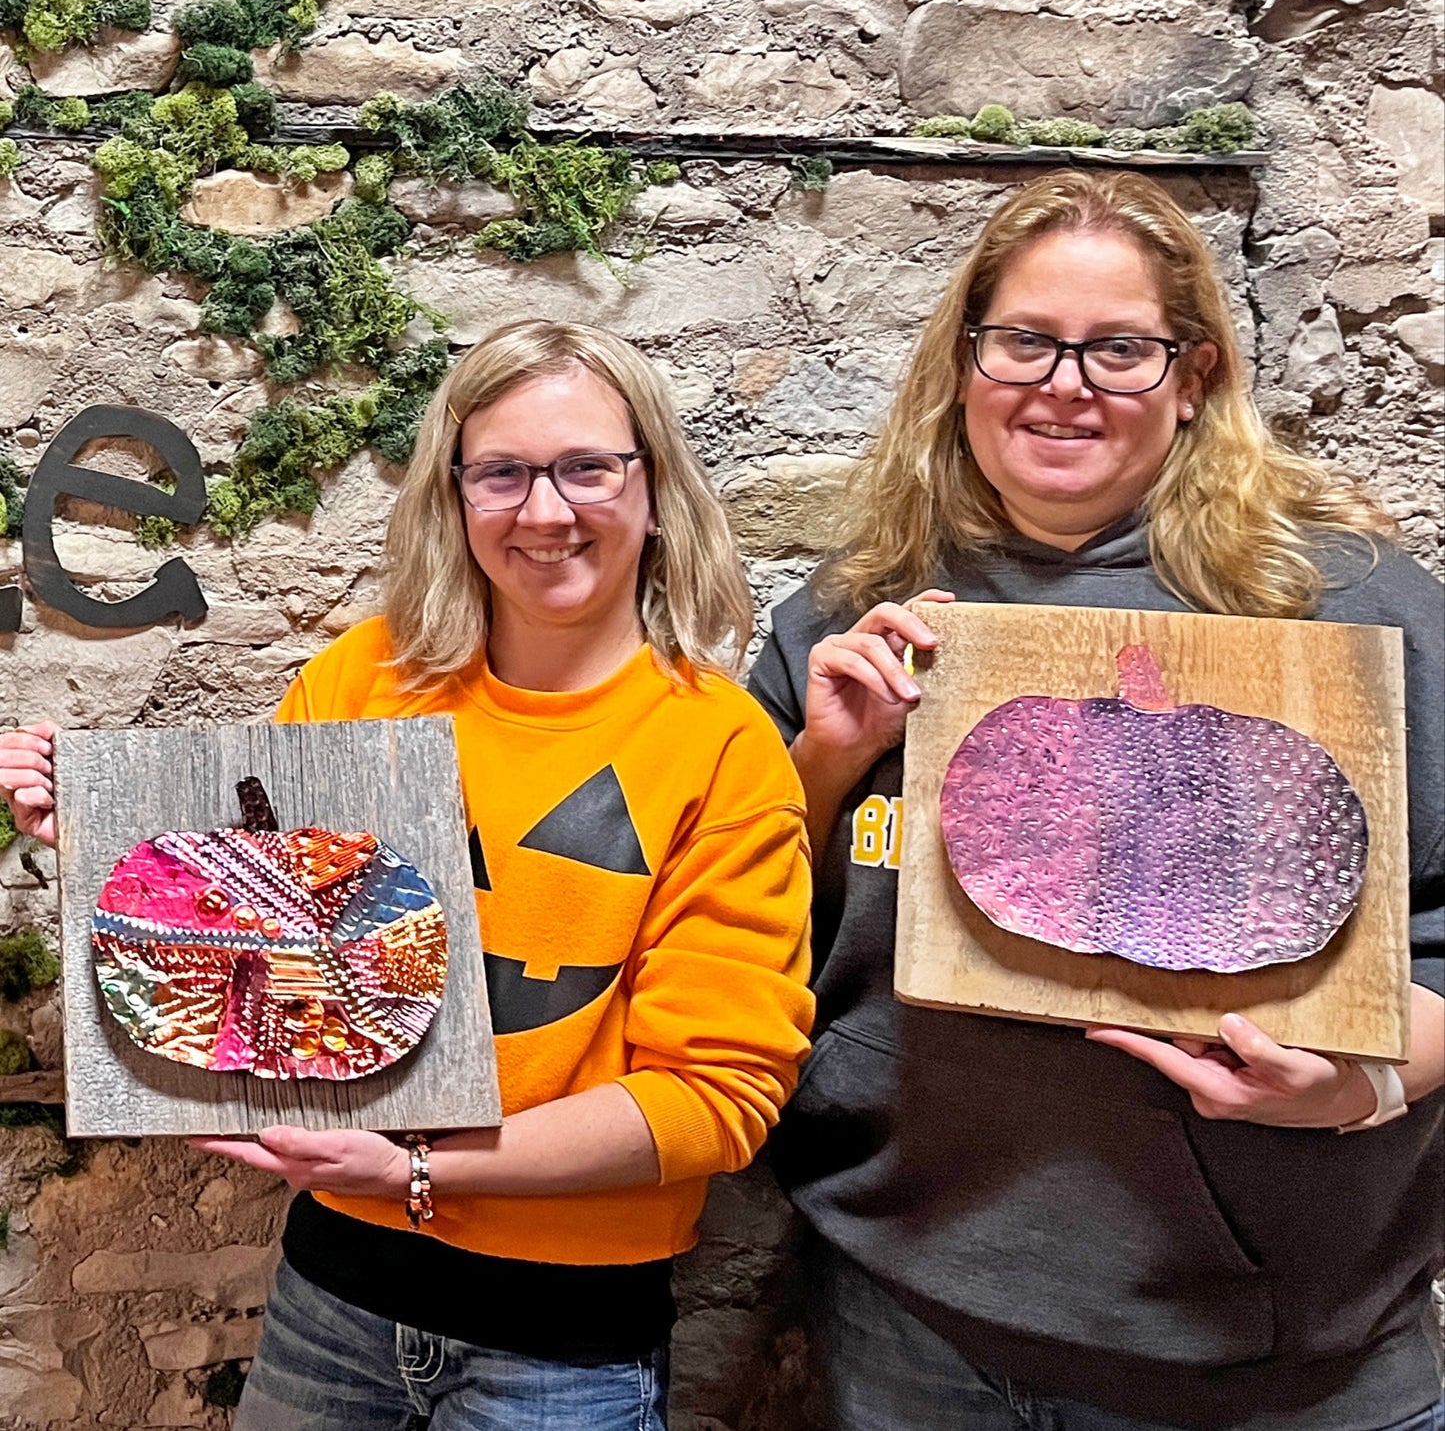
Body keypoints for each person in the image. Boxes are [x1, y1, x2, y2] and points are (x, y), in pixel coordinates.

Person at [1, 319, 814, 1431]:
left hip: (566, 1339)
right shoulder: (364, 675)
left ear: (653, 485)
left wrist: (420, 1170)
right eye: (502, 472)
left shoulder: (720, 747)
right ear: (455, 491)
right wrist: (99, 841)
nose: (544, 509)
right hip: (332, 1293)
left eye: (586, 465)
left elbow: (718, 1095)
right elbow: (264, 927)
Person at [748, 170, 1444, 1431]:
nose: (1062, 384)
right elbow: (730, 921)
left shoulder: (1345, 606)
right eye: (1023, 340)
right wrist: (826, 762)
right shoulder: (853, 614)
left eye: (1118, 349)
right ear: (963, 364)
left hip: (1273, 1349)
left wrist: (1362, 1086)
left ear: (1193, 377)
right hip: (913, 1304)